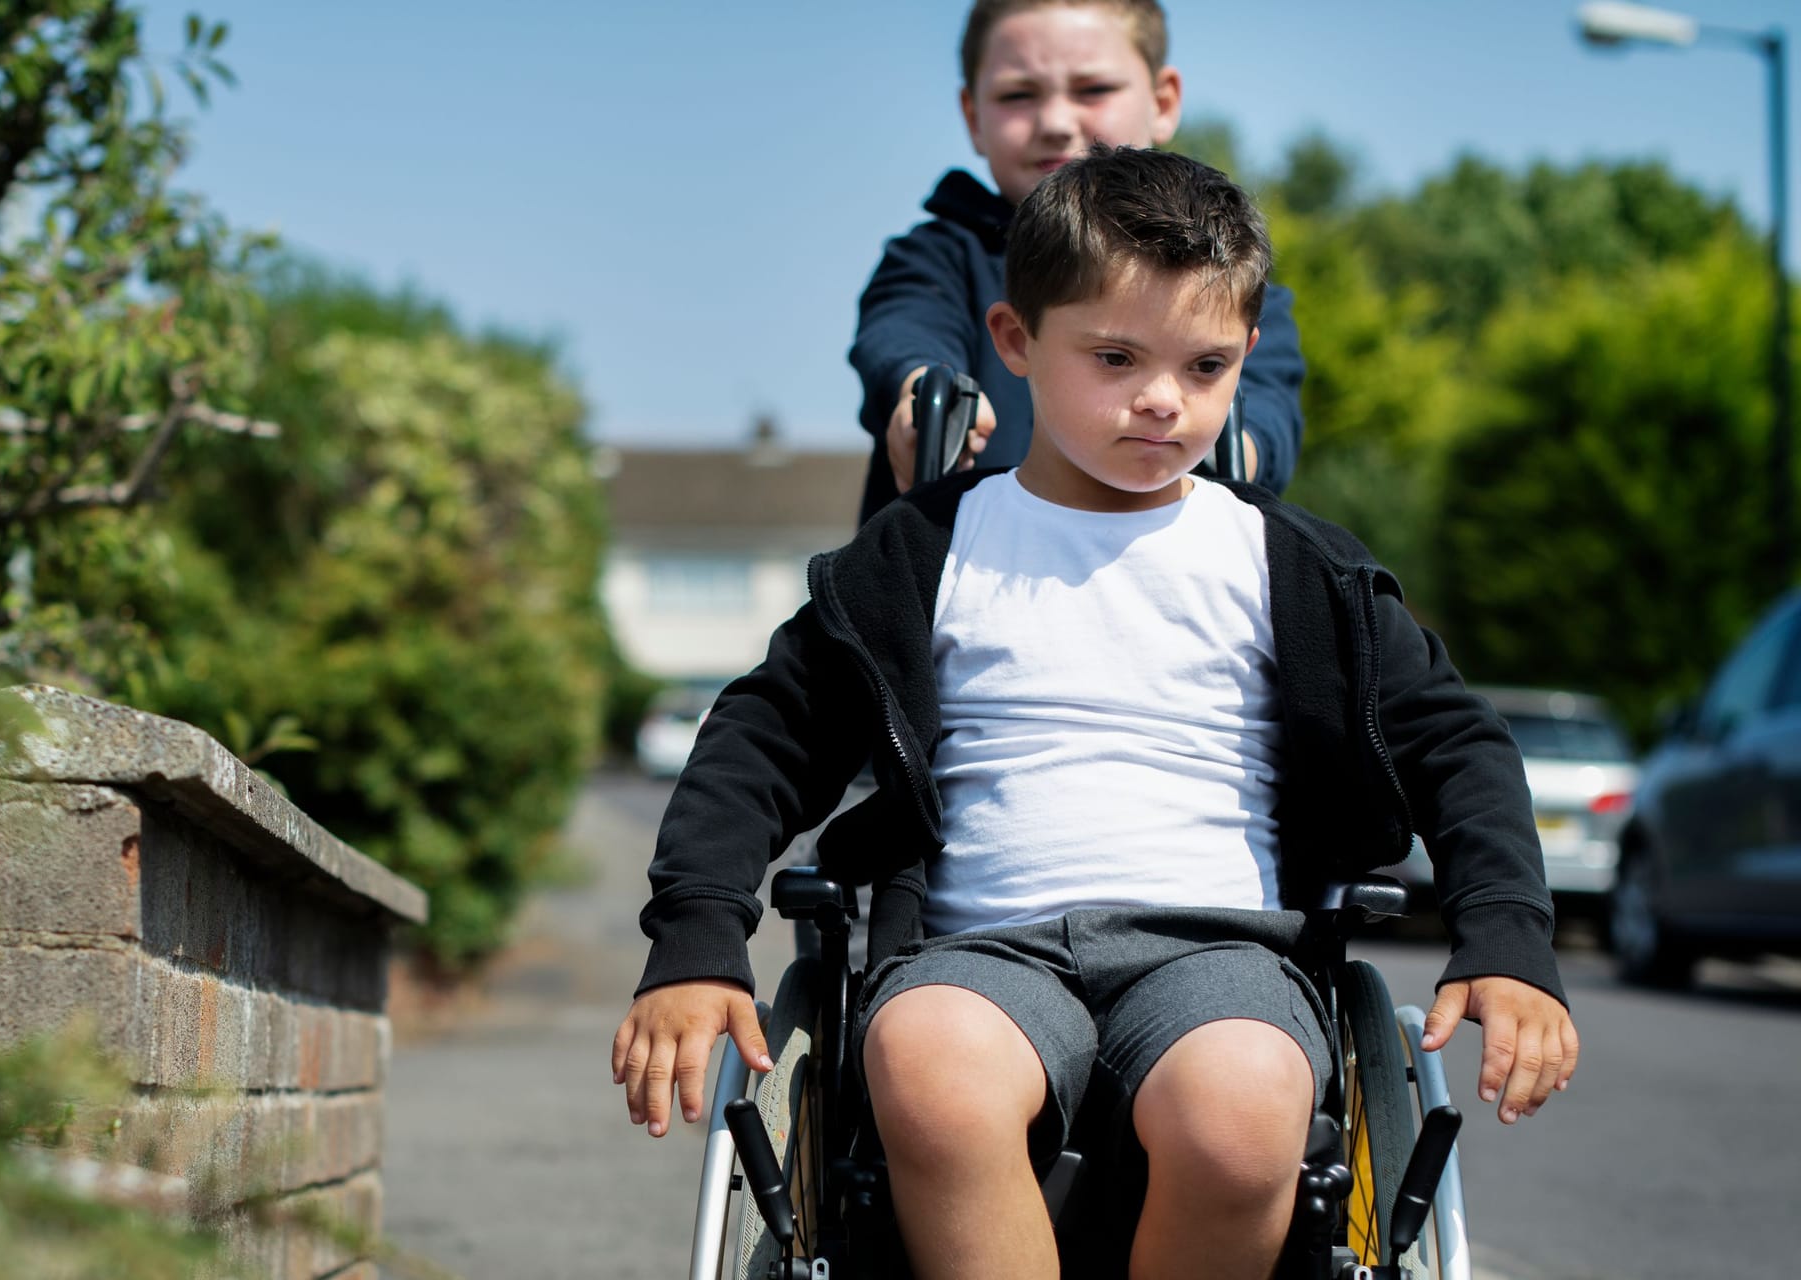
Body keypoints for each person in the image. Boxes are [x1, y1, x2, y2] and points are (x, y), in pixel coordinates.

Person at [613, 147, 1579, 1280]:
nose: (1163, 397)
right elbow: (763, 736)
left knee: (1246, 1106)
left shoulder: (1291, 567)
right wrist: (695, 938)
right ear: (1017, 341)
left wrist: (1507, 933)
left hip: (1221, 946)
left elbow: (1455, 739)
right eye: (1115, 356)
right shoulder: (923, 551)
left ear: (1244, 360)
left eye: (1205, 364)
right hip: (981, 947)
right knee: (926, 1063)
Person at [849, 0, 1307, 524]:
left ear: (1162, 101)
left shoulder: (1226, 282)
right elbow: (901, 332)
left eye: (1093, 90)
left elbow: (1266, 414)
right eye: (1018, 95)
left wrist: (1220, 457)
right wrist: (925, 400)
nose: (1055, 122)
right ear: (973, 116)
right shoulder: (938, 257)